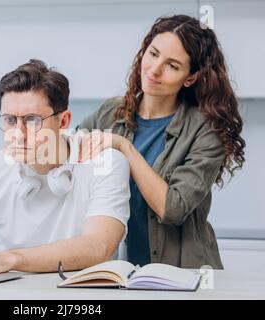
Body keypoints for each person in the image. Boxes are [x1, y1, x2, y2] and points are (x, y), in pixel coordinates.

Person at [77, 15, 246, 269]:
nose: (155, 69)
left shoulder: (206, 130)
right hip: (117, 271)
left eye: (172, 66)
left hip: (182, 272)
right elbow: (71, 151)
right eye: (153, 54)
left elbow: (173, 208)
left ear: (190, 78)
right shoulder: (111, 113)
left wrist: (124, 147)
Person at [0, 59, 131, 274]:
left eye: (32, 120)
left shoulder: (105, 163)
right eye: (9, 120)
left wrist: (9, 259)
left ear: (63, 121)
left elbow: (98, 247)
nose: (18, 134)